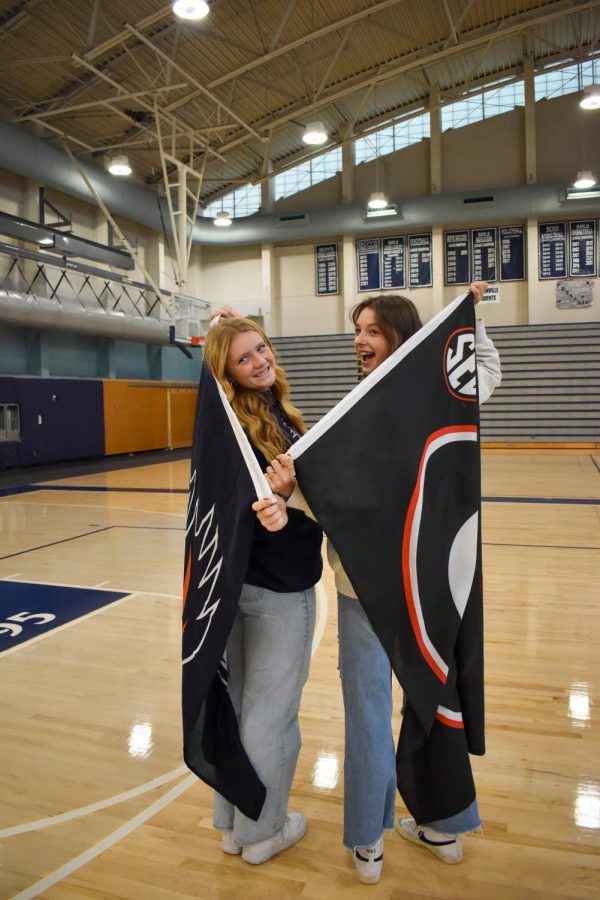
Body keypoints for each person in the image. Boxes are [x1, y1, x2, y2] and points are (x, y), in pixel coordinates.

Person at [256, 283, 502, 884]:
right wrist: (287, 495)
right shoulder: (394, 404)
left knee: (423, 704)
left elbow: (486, 366)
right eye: (357, 330)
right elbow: (330, 496)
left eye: (371, 330)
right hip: (384, 588)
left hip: (411, 586)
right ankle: (385, 835)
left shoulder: (404, 401)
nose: (360, 341)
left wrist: (466, 314)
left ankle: (426, 826)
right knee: (389, 709)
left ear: (401, 334)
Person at [202, 316, 323, 865]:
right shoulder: (244, 425)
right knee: (271, 716)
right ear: (225, 373)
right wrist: (284, 499)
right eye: (243, 359)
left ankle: (233, 825)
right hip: (277, 588)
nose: (259, 361)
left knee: (247, 707)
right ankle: (263, 834)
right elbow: (261, 506)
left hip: (239, 587)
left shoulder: (252, 415)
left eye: (262, 348)